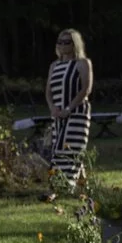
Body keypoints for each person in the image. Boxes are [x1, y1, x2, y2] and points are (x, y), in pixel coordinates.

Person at [44, 28, 94, 191]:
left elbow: (86, 88)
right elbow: (48, 91)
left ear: (75, 44)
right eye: (60, 42)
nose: (63, 45)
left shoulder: (82, 63)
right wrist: (53, 108)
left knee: (68, 148)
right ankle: (84, 187)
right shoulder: (54, 65)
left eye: (67, 42)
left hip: (77, 113)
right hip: (58, 114)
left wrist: (69, 108)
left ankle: (61, 187)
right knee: (59, 147)